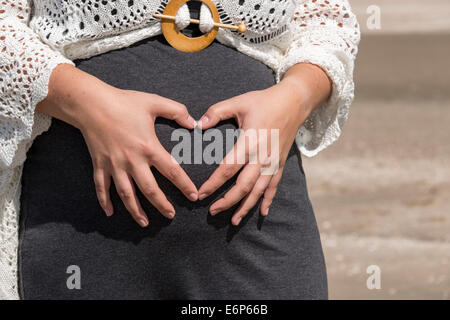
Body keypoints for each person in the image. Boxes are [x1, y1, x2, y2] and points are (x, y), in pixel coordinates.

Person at [0, 0, 360, 299]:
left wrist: (294, 97)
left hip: (259, 227)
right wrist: (89, 103)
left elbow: (326, 22)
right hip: (85, 229)